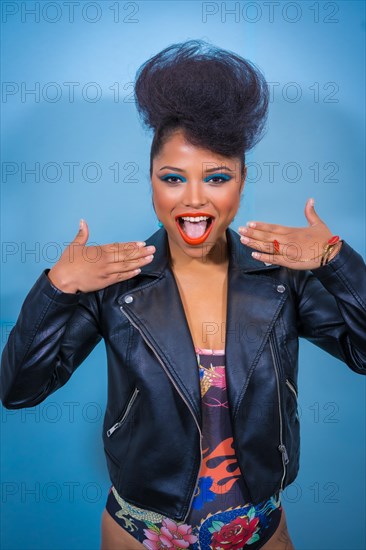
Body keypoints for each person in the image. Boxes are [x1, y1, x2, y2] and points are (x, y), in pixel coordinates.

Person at [1, 39, 365, 550]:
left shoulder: (284, 279)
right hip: (141, 533)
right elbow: (18, 390)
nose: (194, 199)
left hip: (260, 531)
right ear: (152, 183)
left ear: (242, 183)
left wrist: (336, 258)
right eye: (173, 178)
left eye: (217, 177)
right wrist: (56, 289)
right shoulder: (115, 284)